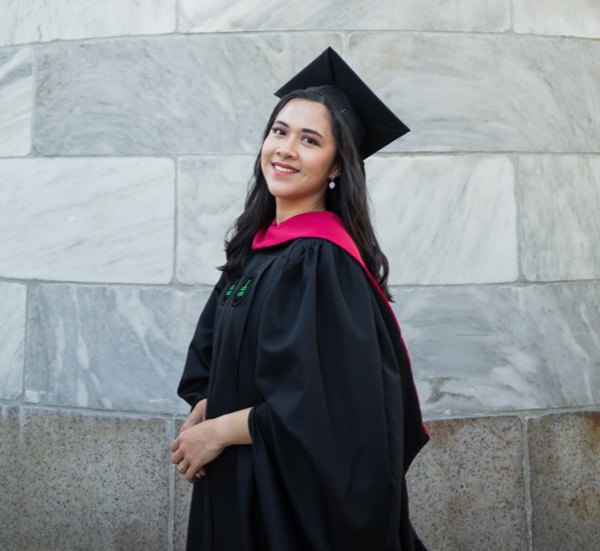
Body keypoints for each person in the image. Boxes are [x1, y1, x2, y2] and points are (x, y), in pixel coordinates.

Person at [170, 47, 430, 551]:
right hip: (240, 484)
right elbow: (224, 352)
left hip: (287, 507)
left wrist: (222, 430)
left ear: (336, 167)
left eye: (310, 140)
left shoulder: (321, 262)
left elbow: (334, 406)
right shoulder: (258, 250)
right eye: (279, 131)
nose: (285, 149)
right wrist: (207, 403)